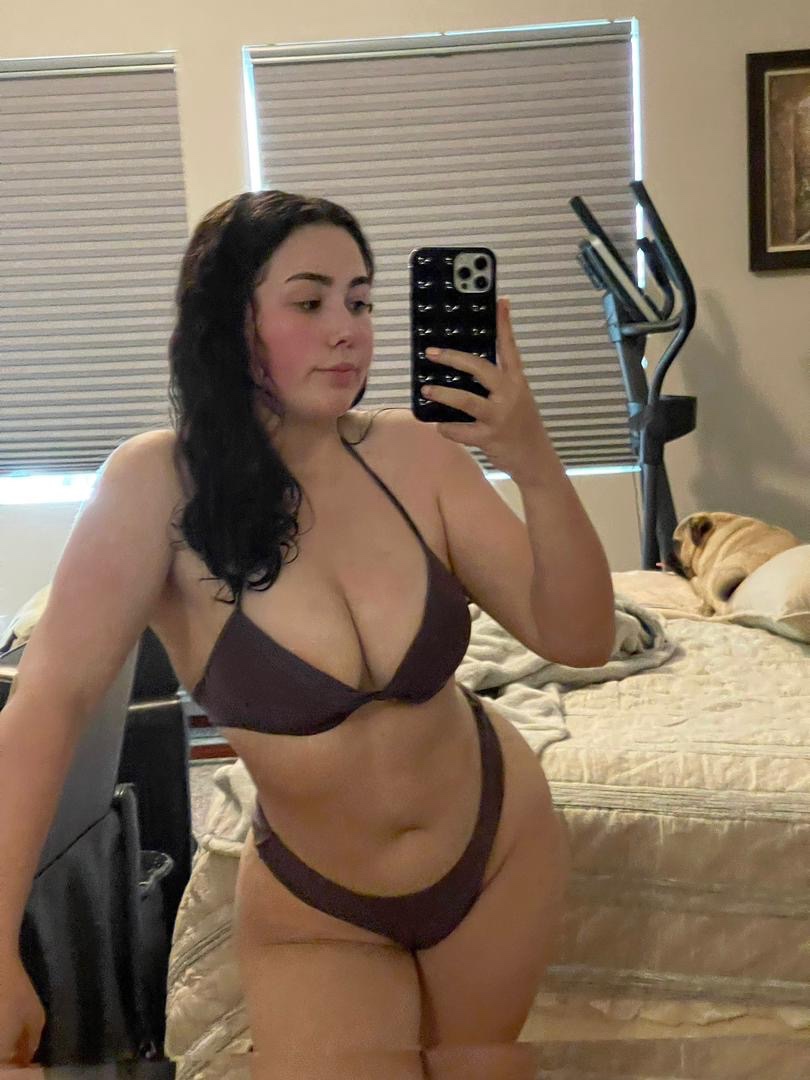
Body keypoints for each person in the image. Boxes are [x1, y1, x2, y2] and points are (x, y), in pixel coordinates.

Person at [0, 190, 615, 1077]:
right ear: (229, 319)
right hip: (323, 904)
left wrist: (534, 461)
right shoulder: (156, 486)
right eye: (310, 300)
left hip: (498, 849)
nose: (347, 331)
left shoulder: (417, 454)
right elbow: (49, 704)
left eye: (361, 302)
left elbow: (582, 637)